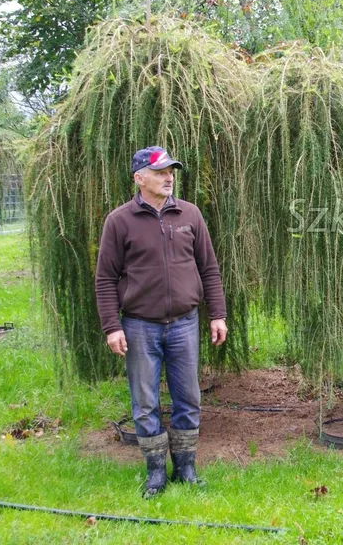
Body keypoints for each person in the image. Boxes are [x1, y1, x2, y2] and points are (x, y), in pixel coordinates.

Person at [95, 146, 228, 498]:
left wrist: (217, 314)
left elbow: (209, 269)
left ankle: (186, 467)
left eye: (171, 171)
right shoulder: (119, 221)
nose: (169, 177)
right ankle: (155, 472)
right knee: (145, 402)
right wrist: (112, 325)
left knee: (188, 399)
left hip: (185, 324)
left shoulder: (190, 214)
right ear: (140, 178)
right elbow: (105, 278)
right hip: (140, 326)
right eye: (160, 172)